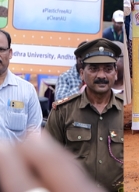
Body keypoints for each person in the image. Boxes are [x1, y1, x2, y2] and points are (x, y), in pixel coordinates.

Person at [46, 39, 123, 191]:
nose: (101, 75)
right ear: (82, 73)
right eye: (93, 69)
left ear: (115, 73)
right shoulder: (63, 111)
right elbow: (47, 161)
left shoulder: (127, 113)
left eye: (108, 69)